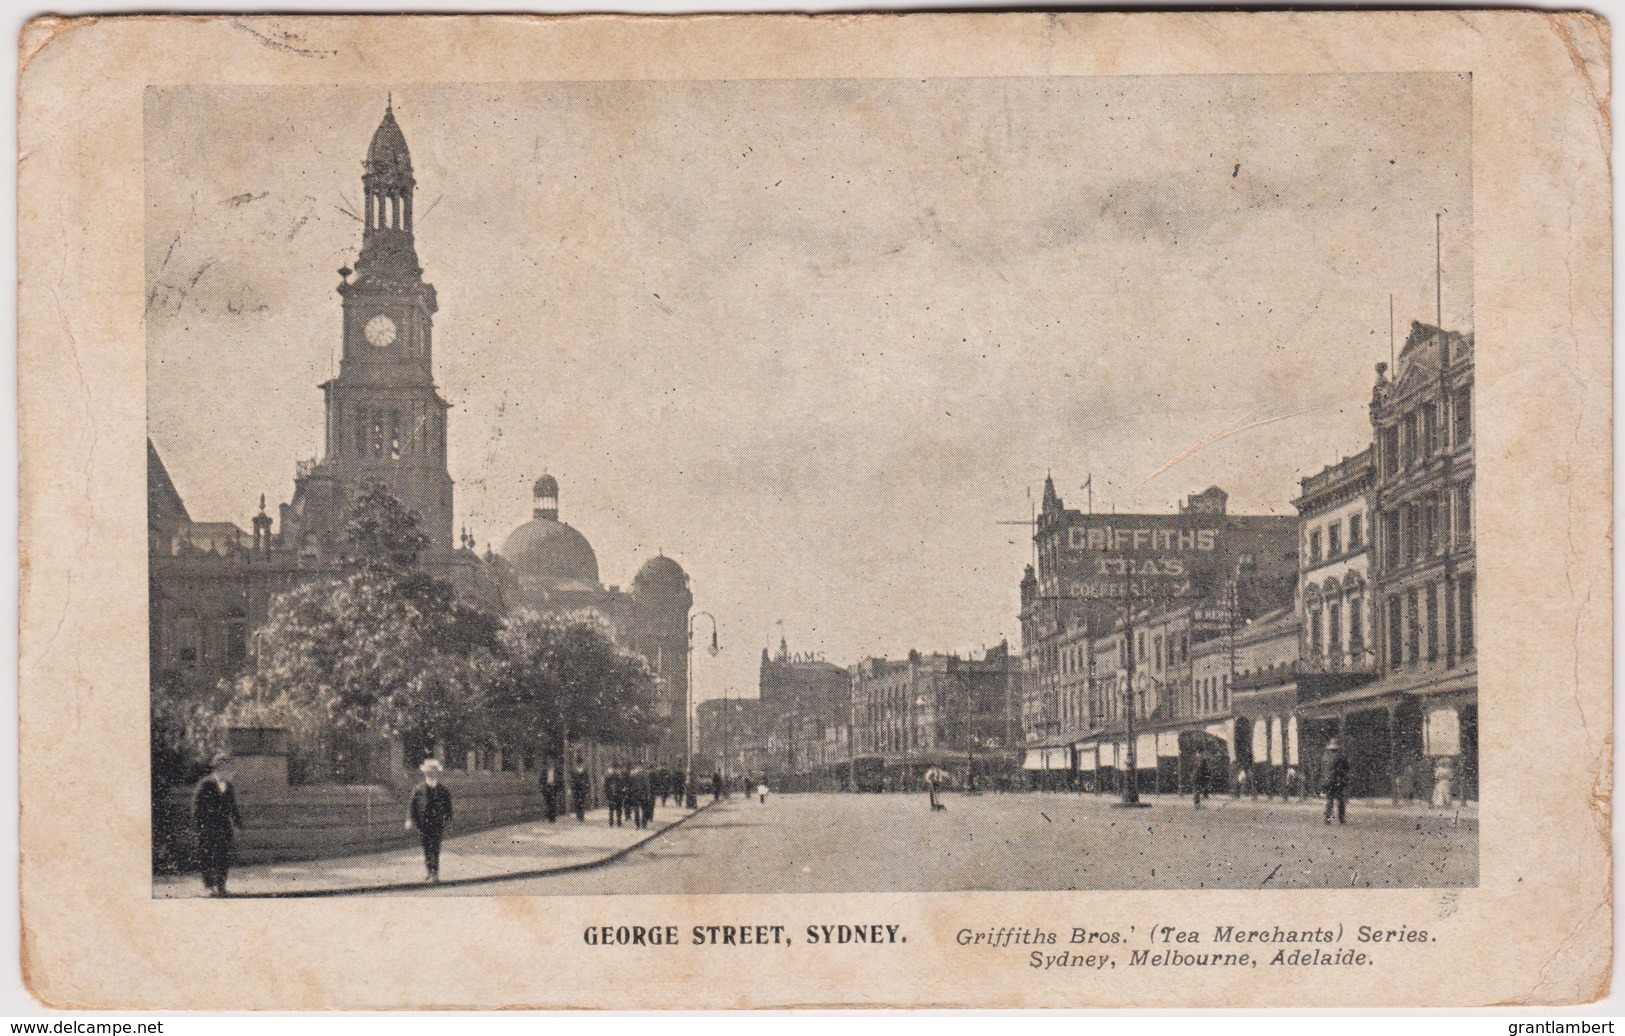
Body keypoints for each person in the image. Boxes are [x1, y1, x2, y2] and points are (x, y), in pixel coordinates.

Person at [192, 751, 243, 897]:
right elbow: (196, 807)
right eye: (228, 769)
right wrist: (201, 827)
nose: (231, 773)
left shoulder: (228, 786)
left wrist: (238, 823)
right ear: (219, 769)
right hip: (208, 828)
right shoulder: (205, 784)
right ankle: (208, 886)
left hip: (224, 828)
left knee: (223, 857)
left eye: (231, 769)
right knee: (207, 856)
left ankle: (221, 886)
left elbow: (233, 807)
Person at [406, 758, 454, 882]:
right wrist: (409, 820)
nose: (430, 774)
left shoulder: (443, 790)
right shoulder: (418, 789)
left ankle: (435, 872)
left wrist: (448, 821)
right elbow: (412, 806)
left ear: (437, 773)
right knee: (426, 848)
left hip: (437, 824)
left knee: (435, 847)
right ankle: (429, 871)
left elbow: (448, 807)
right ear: (425, 773)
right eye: (428, 772)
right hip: (423, 824)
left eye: (433, 772)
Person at [1322, 739, 1351, 825]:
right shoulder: (1340, 757)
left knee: (1329, 800)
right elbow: (1345, 768)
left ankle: (1327, 818)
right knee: (1340, 800)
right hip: (1337, 780)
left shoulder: (1325, 757)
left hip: (1327, 781)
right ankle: (1341, 819)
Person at [569, 757, 589, 822]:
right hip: (576, 788)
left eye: (580, 763)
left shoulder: (584, 770)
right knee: (577, 801)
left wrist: (587, 786)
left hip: (582, 788)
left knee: (582, 801)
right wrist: (572, 787)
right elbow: (572, 780)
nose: (579, 764)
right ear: (577, 763)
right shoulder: (574, 771)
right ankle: (578, 814)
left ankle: (581, 815)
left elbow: (587, 779)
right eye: (578, 763)